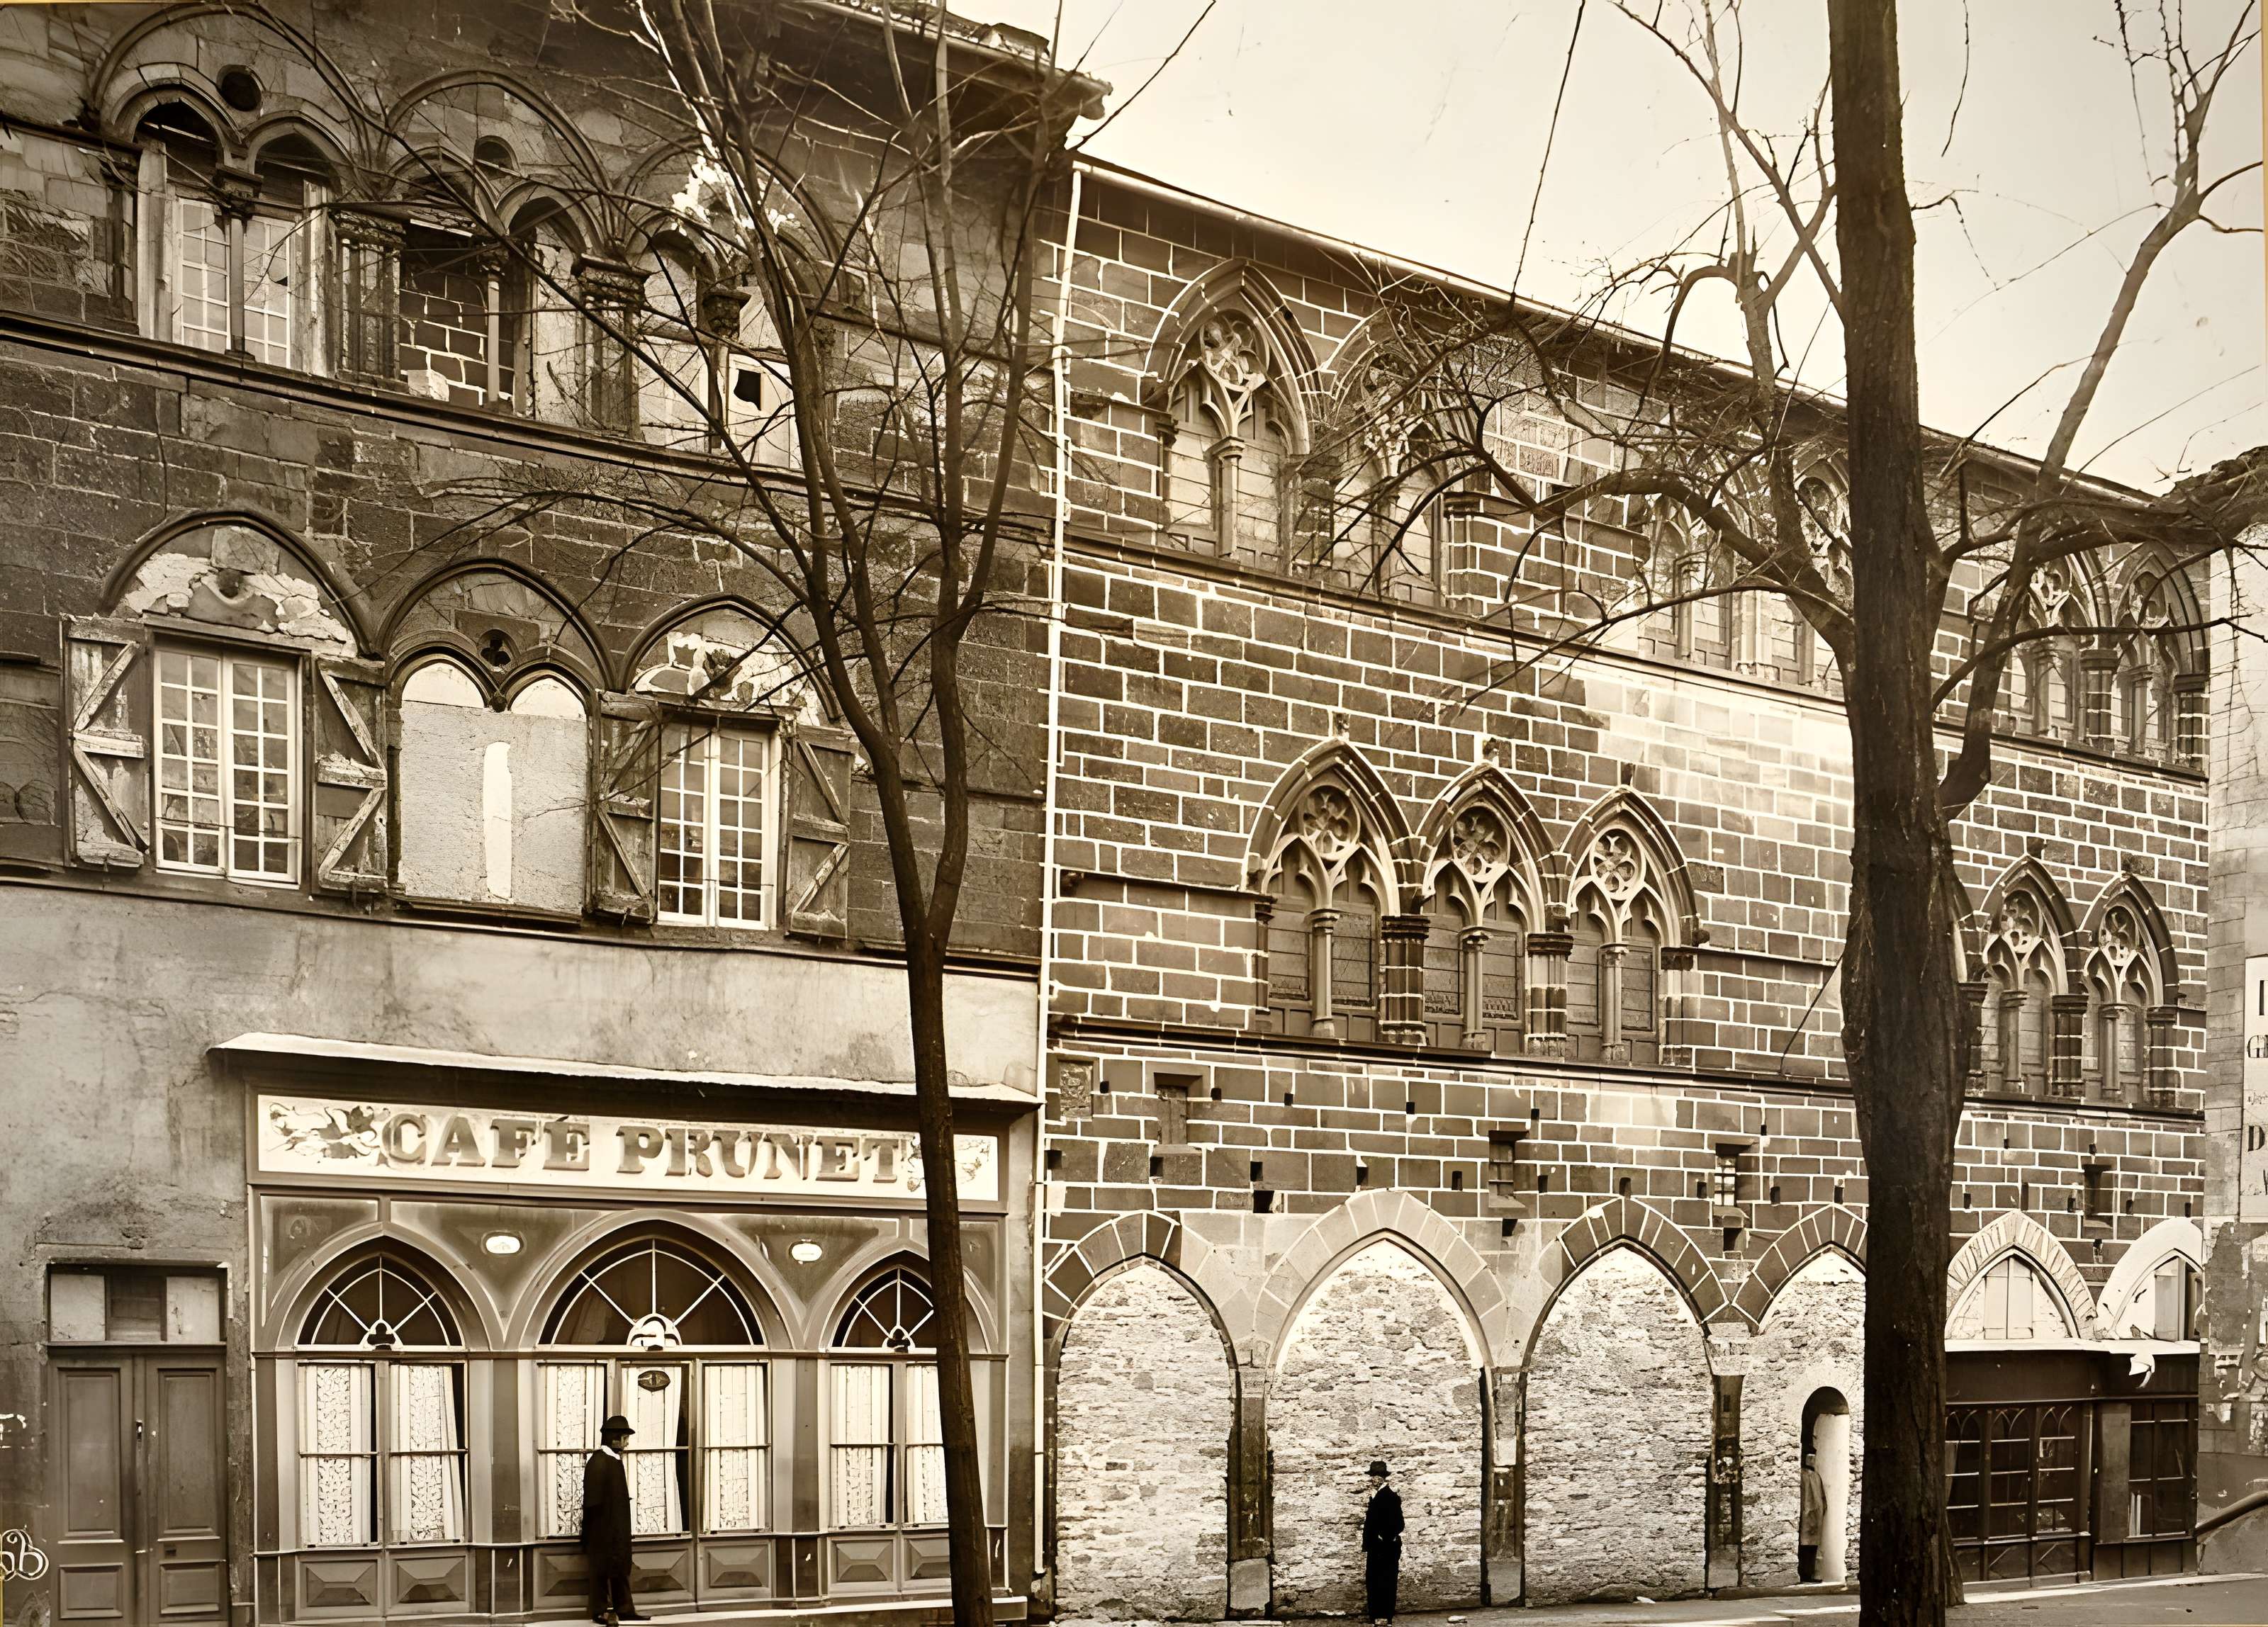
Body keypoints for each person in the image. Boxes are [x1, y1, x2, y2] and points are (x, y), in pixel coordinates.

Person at [583, 1414, 646, 1624]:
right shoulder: (599, 1461)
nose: (627, 1442)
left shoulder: (613, 1459)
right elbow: (593, 1503)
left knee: (621, 1568)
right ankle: (600, 1611)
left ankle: (625, 1609)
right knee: (601, 1571)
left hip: (617, 1527)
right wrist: (600, 1532)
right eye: (624, 1437)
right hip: (602, 1529)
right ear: (614, 1439)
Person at [1362, 1458, 1403, 1624]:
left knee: (1387, 1580)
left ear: (1384, 1478)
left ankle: (1386, 1616)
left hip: (1385, 1548)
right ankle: (1376, 1616)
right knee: (1373, 1580)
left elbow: (1399, 1524)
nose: (1375, 1478)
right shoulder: (1376, 1495)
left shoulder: (1390, 1496)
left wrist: (1384, 1537)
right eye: (1373, 1475)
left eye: (1379, 1475)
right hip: (1375, 1547)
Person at [1797, 1448, 1825, 1583]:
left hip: (1813, 1514)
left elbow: (1822, 1498)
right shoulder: (1803, 1475)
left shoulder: (1815, 1476)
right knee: (1806, 1545)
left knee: (1810, 1545)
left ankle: (1808, 1574)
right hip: (1808, 1514)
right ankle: (1805, 1574)